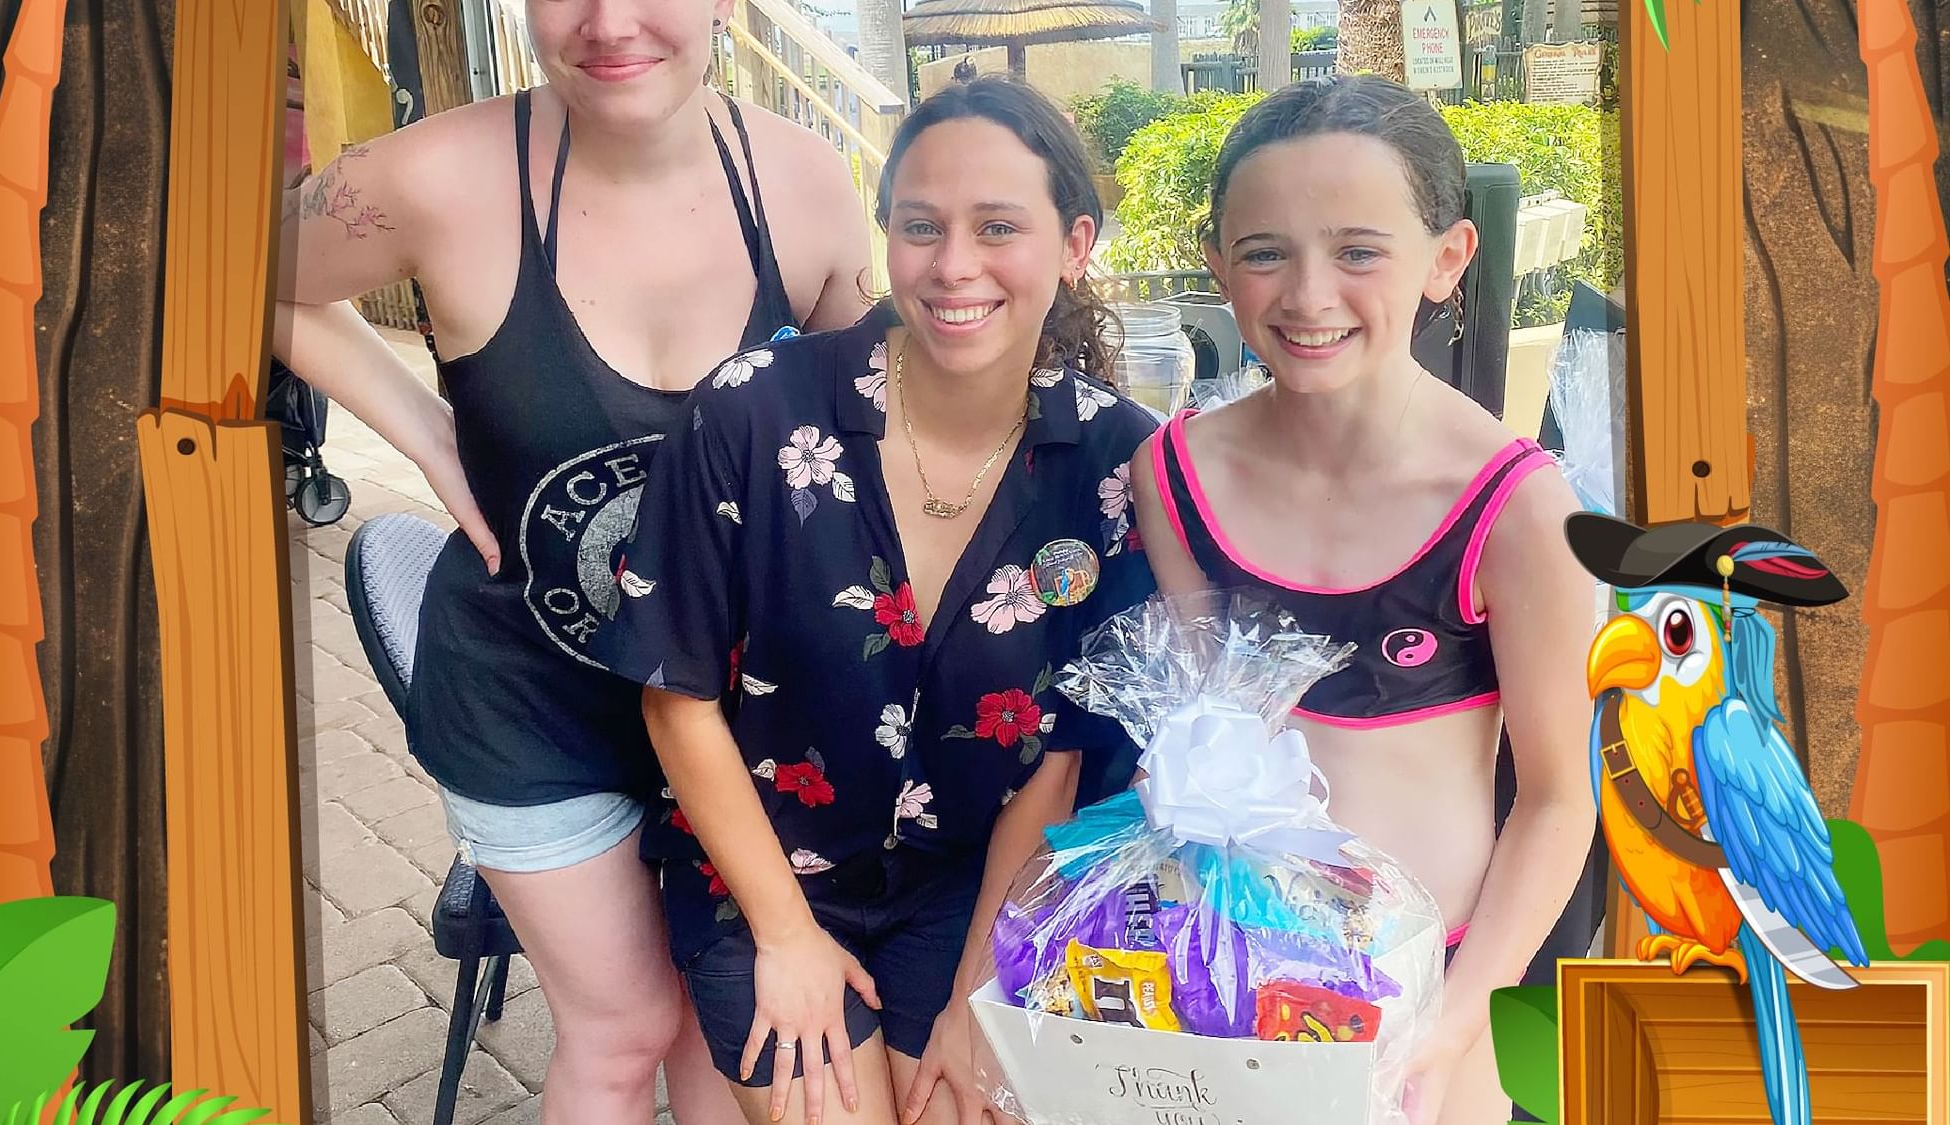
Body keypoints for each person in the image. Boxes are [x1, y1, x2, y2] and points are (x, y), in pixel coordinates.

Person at [271, 0, 875, 1118]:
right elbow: (237, 272)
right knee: (621, 1027)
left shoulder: (804, 186)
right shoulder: (431, 178)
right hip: (524, 699)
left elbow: (870, 421)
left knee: (716, 1007)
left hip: (728, 711)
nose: (609, 22)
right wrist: (430, 433)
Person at [596, 76, 1160, 1125]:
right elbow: (673, 691)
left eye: (998, 228)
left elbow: (1060, 756)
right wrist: (782, 935)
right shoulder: (753, 412)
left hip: (967, 888)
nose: (953, 267)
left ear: (1074, 244)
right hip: (757, 875)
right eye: (920, 227)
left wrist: (975, 995)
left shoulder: (1117, 463)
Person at [1127, 75, 1597, 1125]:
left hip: (1430, 994)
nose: (1306, 296)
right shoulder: (1174, 473)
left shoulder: (1515, 510)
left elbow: (1559, 799)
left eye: (1356, 250)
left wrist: (1454, 1018)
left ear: (1446, 261)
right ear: (1216, 264)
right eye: (1263, 252)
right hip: (1233, 973)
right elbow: (1210, 729)